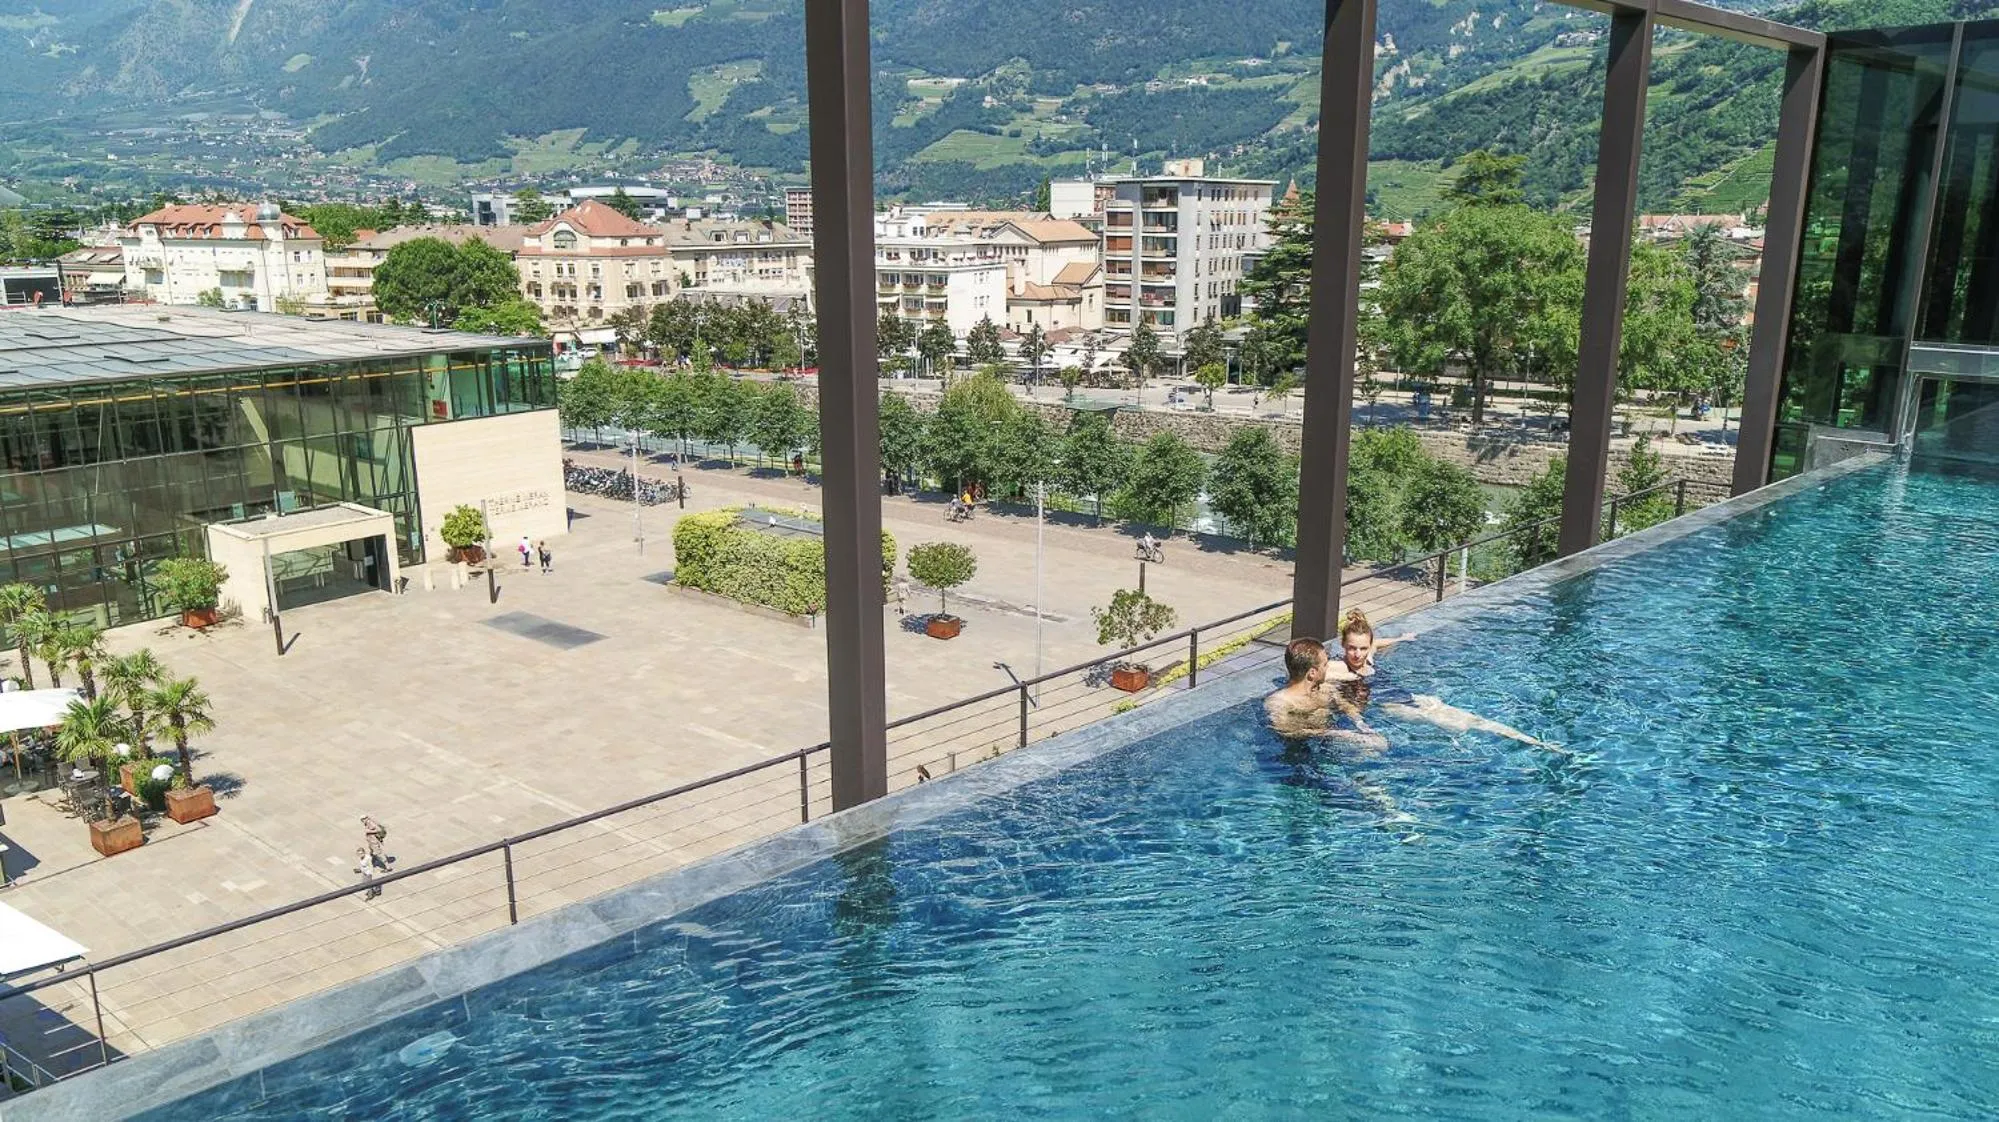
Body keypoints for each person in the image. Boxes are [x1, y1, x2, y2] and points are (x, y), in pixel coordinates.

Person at [1328, 609, 1551, 748]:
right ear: (1343, 645)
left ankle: (1531, 741)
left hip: (1406, 696)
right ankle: (1512, 743)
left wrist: (1401, 638)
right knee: (1451, 722)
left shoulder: (1368, 656)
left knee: (1468, 717)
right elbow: (1319, 672)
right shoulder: (1338, 667)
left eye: (1362, 648)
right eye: (1352, 648)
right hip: (1392, 705)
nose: (1357, 654)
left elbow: (1377, 643)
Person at [1263, 637, 1387, 751]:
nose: (1328, 668)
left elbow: (1346, 707)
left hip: (1327, 743)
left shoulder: (1326, 689)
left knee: (1375, 748)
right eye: (1325, 664)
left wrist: (1362, 725)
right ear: (1312, 673)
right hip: (1298, 752)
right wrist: (1338, 734)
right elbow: (1286, 731)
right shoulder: (1279, 702)